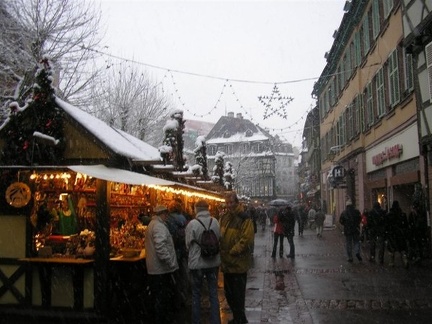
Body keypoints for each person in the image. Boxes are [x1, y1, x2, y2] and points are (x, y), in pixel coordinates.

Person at [219, 191, 254, 324]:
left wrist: (234, 250)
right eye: (227, 203)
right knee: (229, 294)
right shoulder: (224, 217)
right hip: (227, 263)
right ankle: (238, 317)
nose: (229, 205)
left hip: (238, 263)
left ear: (236, 202)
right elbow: (221, 234)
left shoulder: (244, 218)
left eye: (231, 202)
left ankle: (240, 319)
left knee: (238, 295)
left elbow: (247, 239)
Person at [185, 199, 221, 324]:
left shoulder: (192, 224)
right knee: (213, 293)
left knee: (196, 294)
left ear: (196, 209)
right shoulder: (215, 221)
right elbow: (219, 238)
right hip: (213, 262)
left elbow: (188, 243)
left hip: (197, 264)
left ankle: (196, 320)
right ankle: (216, 320)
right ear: (208, 208)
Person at [145, 205, 179, 324]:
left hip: (156, 268)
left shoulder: (153, 225)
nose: (167, 217)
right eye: (166, 215)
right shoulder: (159, 227)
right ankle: (161, 319)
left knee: (157, 296)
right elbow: (161, 248)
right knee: (161, 297)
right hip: (160, 269)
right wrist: (170, 262)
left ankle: (158, 317)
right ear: (162, 214)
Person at [385, 201, 409, 268]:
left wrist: (387, 232)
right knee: (402, 248)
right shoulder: (402, 214)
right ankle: (405, 260)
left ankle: (391, 262)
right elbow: (406, 225)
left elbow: (386, 225)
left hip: (392, 233)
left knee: (391, 249)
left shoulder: (389, 215)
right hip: (400, 233)